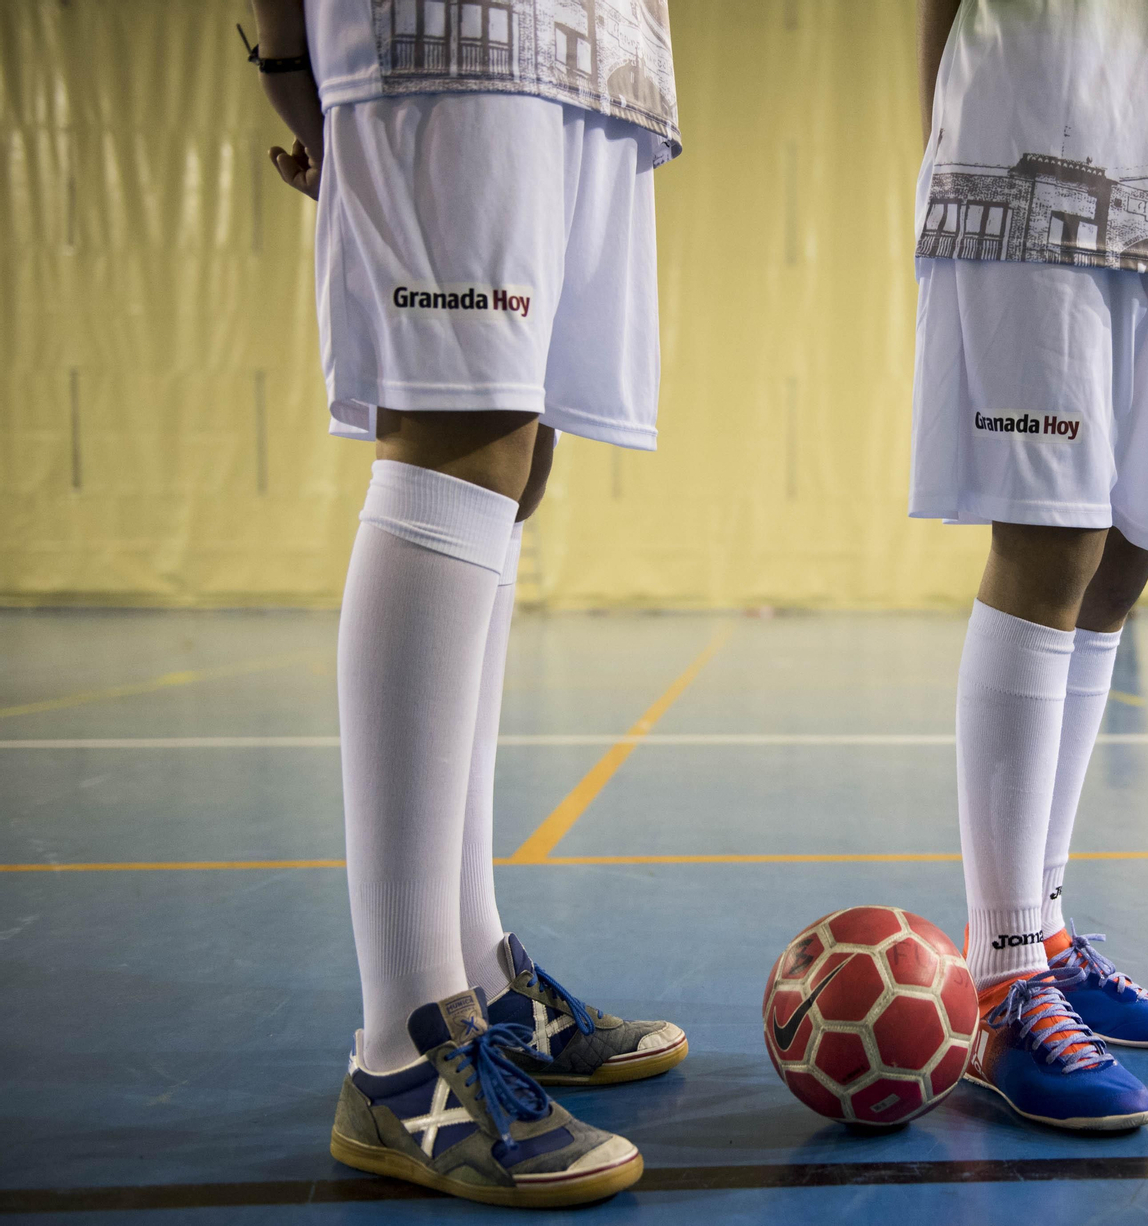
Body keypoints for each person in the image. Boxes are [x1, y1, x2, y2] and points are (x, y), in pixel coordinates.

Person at [246, 0, 685, 1206]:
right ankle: (402, 1045)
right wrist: (284, 55)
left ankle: (479, 976)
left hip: (591, 57)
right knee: (456, 438)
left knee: (515, 452)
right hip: (449, 38)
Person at [912, 0, 1148, 1130]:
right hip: (1039, 127)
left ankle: (1043, 926)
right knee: (1053, 535)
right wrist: (947, 139)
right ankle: (1000, 976)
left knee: (1127, 552)